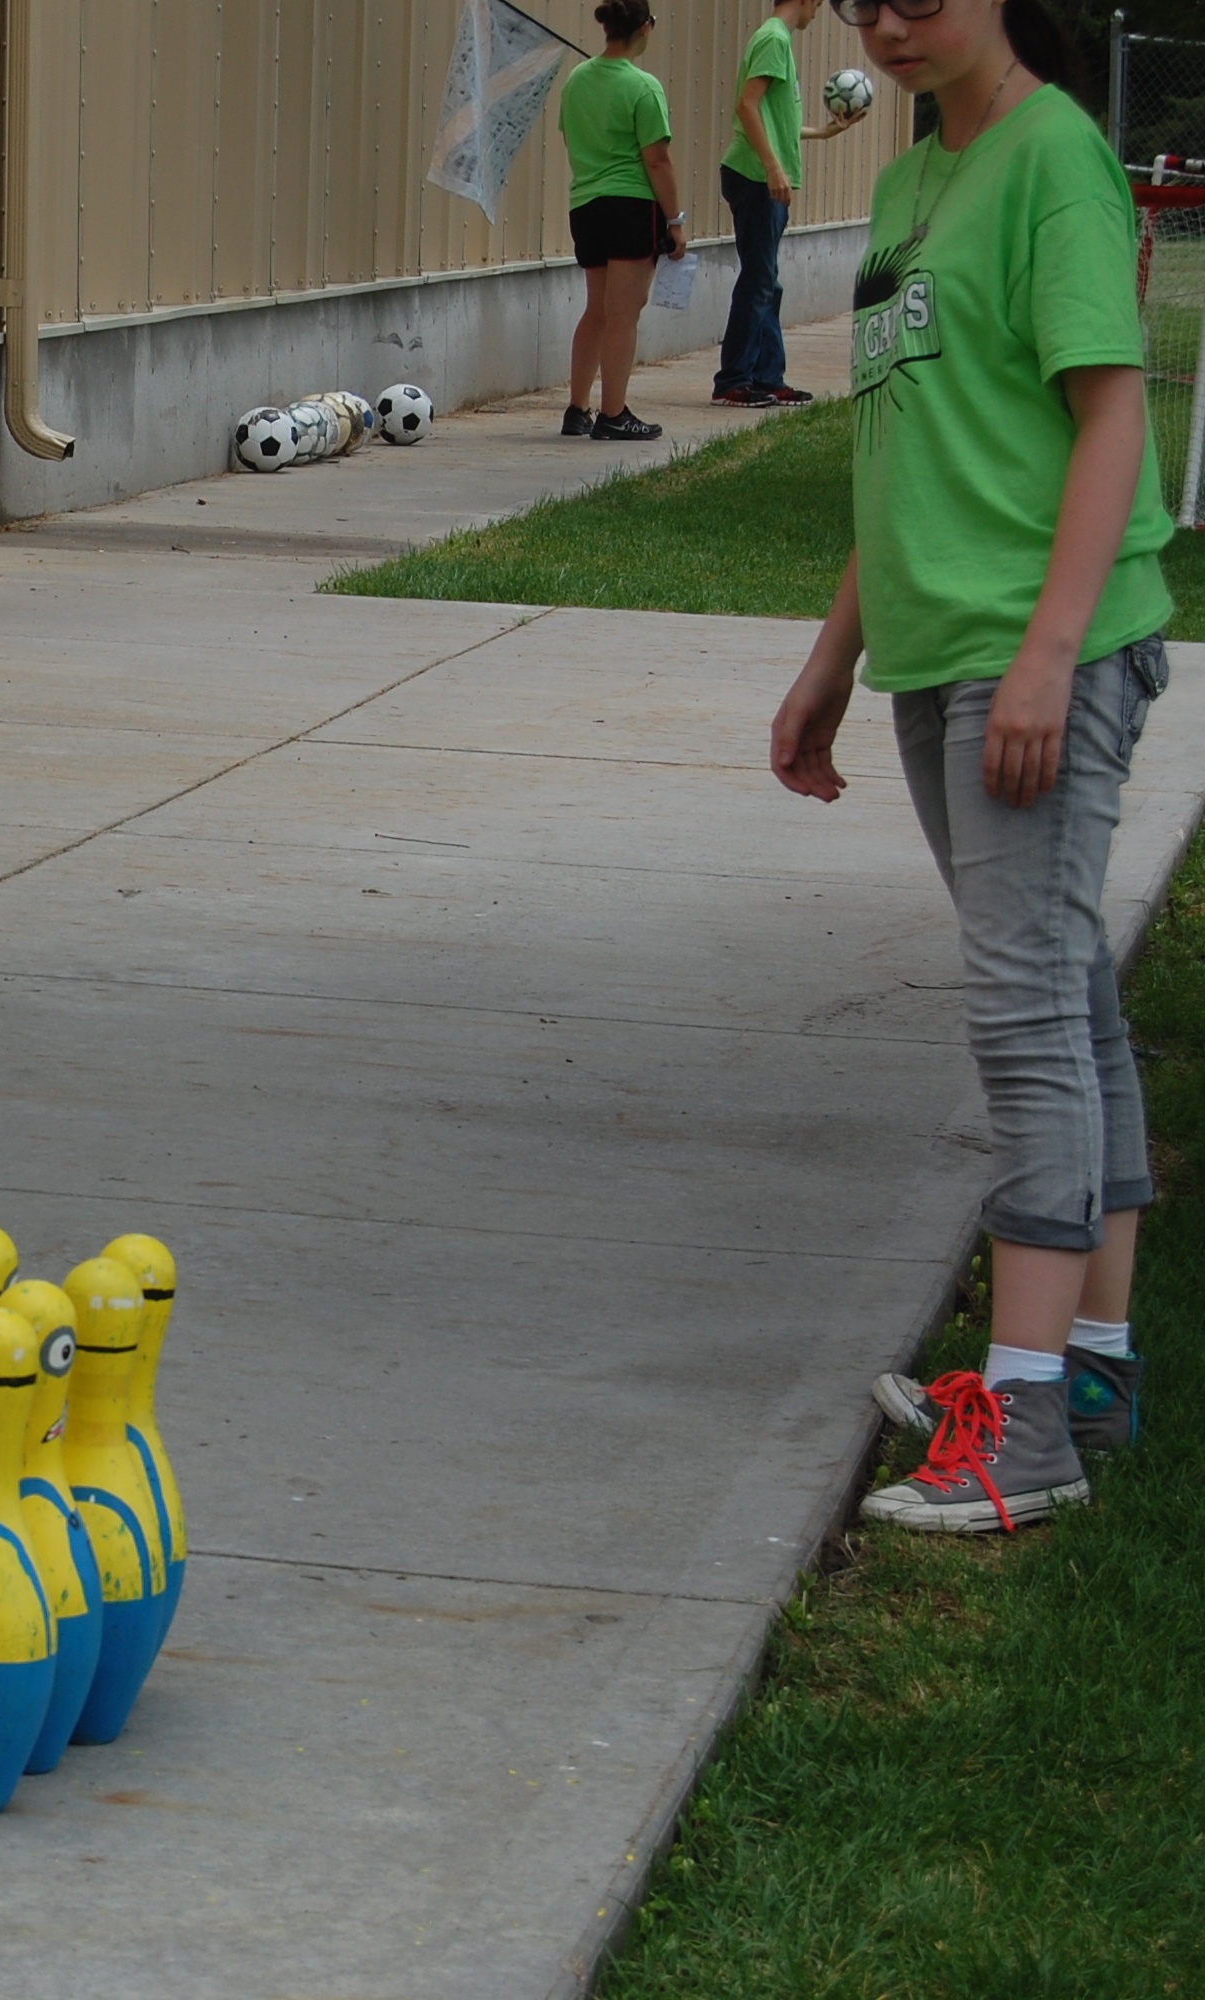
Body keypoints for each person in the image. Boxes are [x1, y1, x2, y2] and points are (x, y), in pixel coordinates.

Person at [771, 0, 1171, 1529]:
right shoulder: (917, 177)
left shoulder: (1056, 159)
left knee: (1020, 1011)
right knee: (1061, 992)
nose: (890, 21)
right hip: (938, 652)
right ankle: (1090, 1374)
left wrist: (1052, 656)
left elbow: (1114, 415)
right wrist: (832, 657)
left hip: (1030, 657)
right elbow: (908, 443)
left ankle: (1023, 1429)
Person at [713, 0, 868, 409]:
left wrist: (822, 132)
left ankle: (766, 377)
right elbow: (747, 106)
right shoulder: (773, 39)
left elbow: (773, 118)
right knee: (758, 281)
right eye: (816, 1)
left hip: (760, 176)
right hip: (753, 176)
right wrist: (772, 168)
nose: (817, 9)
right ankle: (733, 381)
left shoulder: (777, 40)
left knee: (767, 281)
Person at [558, 0, 688, 442]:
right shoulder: (644, 87)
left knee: (596, 309)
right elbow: (657, 159)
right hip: (630, 205)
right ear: (646, 28)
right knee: (623, 314)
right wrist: (676, 221)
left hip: (585, 204)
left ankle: (577, 408)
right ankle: (613, 414)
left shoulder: (577, 80)